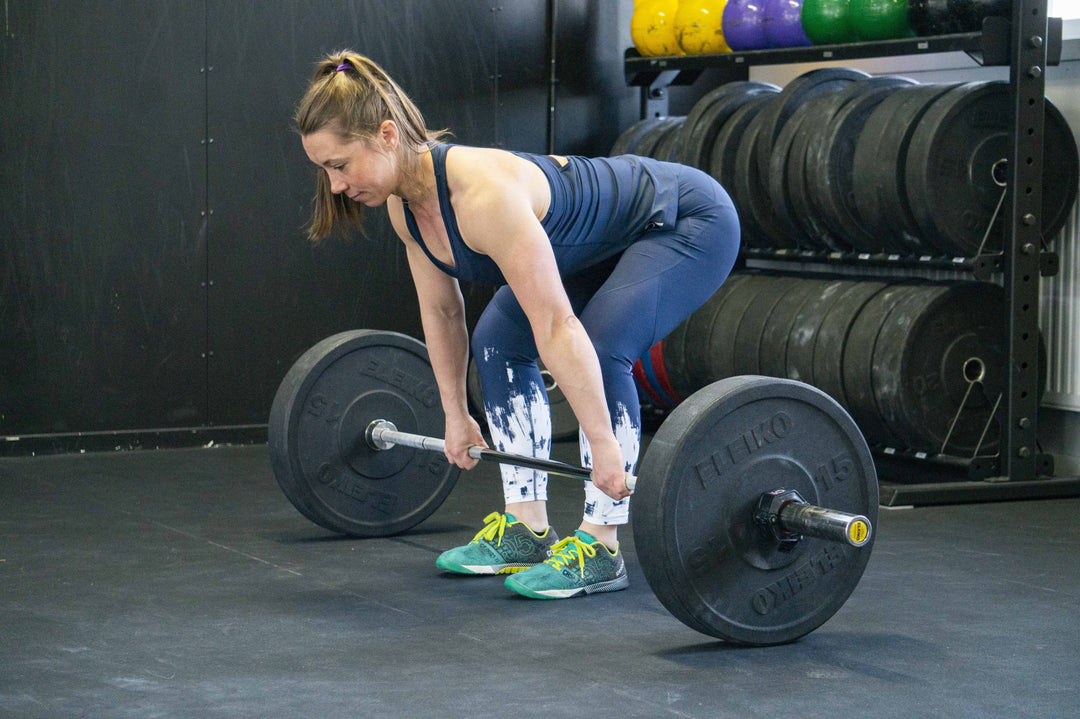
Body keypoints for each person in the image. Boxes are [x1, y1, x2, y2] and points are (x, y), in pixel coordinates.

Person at [294, 51, 740, 599]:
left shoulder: (483, 196)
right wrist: (455, 416)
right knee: (498, 342)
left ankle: (601, 542)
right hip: (597, 247)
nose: (335, 186)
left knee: (602, 348)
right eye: (324, 170)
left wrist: (603, 448)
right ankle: (528, 527)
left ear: (387, 135)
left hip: (682, 220)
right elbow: (443, 312)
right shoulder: (404, 209)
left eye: (339, 165)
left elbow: (556, 326)